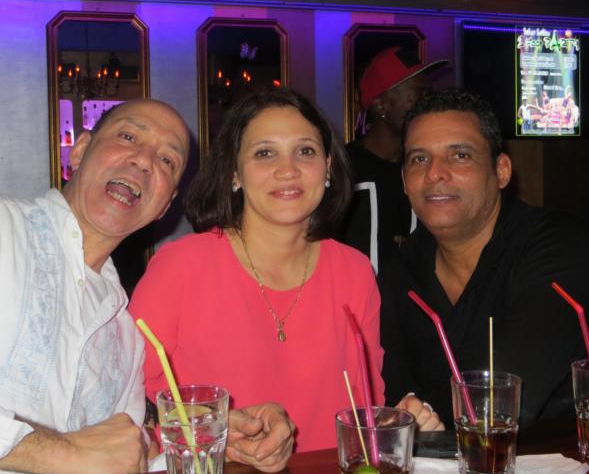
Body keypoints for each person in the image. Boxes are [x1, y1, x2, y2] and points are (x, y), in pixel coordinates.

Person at [0, 99, 293, 474]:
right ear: (80, 151)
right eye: (128, 137)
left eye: (167, 160)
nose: (144, 160)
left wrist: (216, 446)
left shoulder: (124, 333)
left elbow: (115, 465)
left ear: (165, 205)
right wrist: (64, 452)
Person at [130, 87, 443, 455]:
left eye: (305, 151)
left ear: (328, 167)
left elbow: (364, 412)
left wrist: (398, 422)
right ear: (234, 173)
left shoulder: (355, 273)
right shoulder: (178, 268)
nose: (288, 170)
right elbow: (131, 409)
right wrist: (211, 434)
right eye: (265, 153)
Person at [379, 89, 589, 427]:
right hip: (448, 460)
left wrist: (418, 414)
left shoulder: (562, 249)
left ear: (501, 171)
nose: (434, 173)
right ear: (404, 181)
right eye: (419, 159)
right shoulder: (403, 268)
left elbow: (503, 401)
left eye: (460, 155)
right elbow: (390, 395)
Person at [339, 47, 447, 274]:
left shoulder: (429, 170)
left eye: (428, 95)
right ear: (381, 105)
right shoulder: (343, 169)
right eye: (417, 96)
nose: (427, 106)